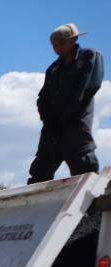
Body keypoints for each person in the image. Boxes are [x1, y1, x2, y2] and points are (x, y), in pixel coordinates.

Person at [28, 23, 104, 184]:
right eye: (53, 45)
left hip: (75, 126)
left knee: (84, 173)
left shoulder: (89, 56)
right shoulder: (54, 69)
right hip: (52, 129)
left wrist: (67, 115)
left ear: (73, 40)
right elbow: (43, 97)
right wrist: (47, 119)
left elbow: (87, 88)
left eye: (61, 43)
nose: (57, 48)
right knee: (39, 173)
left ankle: (91, 208)